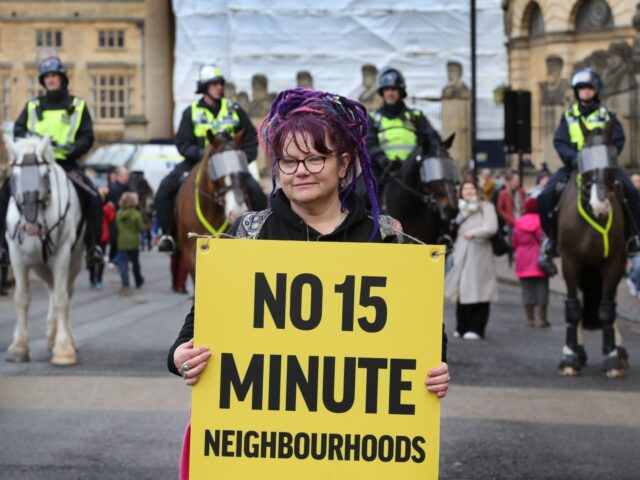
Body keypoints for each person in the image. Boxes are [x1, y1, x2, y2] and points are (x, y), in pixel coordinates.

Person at [168, 88, 450, 389]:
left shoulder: (386, 237)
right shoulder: (247, 234)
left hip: (356, 424)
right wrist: (178, 356)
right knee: (168, 192)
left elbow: (427, 333)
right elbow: (199, 324)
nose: (300, 172)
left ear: (343, 164)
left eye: (315, 159)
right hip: (266, 422)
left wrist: (436, 368)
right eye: (288, 161)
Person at [0, 52, 103, 266]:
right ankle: (3, 247)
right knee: (5, 192)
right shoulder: (32, 106)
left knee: (93, 196)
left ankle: (93, 246)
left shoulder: (78, 106)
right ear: (42, 81)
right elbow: (18, 131)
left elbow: (87, 136)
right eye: (46, 77)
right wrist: (31, 145)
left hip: (66, 163)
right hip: (35, 165)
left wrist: (74, 149)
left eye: (54, 76)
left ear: (62, 79)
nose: (50, 80)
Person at [155, 64, 266, 253]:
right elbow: (182, 143)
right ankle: (168, 235)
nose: (219, 87)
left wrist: (241, 159)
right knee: (166, 188)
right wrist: (203, 157)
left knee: (256, 191)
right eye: (214, 84)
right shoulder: (191, 113)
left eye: (220, 84)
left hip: (232, 166)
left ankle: (264, 235)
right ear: (204, 87)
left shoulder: (234, 109)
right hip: (198, 164)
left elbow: (250, 139)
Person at [538, 68, 640, 259]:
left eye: (589, 88)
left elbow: (618, 139)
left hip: (604, 165)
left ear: (596, 90)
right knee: (545, 195)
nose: (585, 91)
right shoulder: (568, 116)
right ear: (576, 92)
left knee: (632, 192)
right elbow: (560, 141)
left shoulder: (607, 114)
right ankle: (551, 239)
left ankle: (633, 237)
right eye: (581, 88)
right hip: (575, 165)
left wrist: (608, 157)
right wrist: (574, 157)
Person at [365, 67, 441, 188]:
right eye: (387, 89)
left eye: (394, 89)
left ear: (400, 92)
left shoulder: (415, 116)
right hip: (383, 171)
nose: (390, 93)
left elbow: (430, 138)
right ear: (382, 92)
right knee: (362, 194)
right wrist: (382, 159)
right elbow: (369, 144)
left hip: (414, 171)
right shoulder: (374, 118)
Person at [445, 180, 498, 340]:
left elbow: (491, 227)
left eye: (471, 188)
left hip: (478, 252)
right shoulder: (457, 208)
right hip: (461, 253)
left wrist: (474, 232)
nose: (468, 191)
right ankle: (462, 327)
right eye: (465, 188)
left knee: (479, 290)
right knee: (461, 291)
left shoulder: (486, 207)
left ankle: (477, 328)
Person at [511, 196, 550, 327]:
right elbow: (546, 241)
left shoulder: (519, 222)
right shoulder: (543, 222)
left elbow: (514, 242)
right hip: (540, 259)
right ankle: (543, 318)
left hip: (522, 259)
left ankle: (530, 318)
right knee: (542, 289)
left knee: (526, 290)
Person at [115, 192, 145, 296]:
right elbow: (141, 228)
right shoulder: (136, 214)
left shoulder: (118, 213)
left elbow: (116, 226)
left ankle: (125, 283)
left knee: (123, 264)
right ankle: (138, 281)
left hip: (122, 242)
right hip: (133, 242)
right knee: (135, 263)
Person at [88, 187, 115, 289]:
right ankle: (97, 279)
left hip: (93, 235)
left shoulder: (92, 207)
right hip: (101, 235)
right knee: (100, 259)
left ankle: (93, 279)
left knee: (92, 257)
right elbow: (112, 219)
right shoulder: (105, 208)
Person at [106, 166, 131, 264]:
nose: (128, 177)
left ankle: (116, 258)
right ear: (121, 176)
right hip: (117, 220)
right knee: (116, 241)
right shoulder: (116, 188)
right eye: (126, 175)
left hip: (118, 219)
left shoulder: (123, 187)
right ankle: (115, 258)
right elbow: (116, 206)